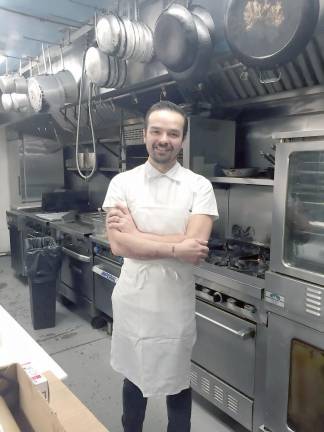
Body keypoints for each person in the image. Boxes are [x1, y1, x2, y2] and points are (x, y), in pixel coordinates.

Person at [102, 100, 218, 432]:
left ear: (182, 139)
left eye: (172, 132)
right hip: (134, 300)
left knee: (177, 382)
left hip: (174, 303)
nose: (163, 139)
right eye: (156, 131)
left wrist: (138, 235)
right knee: (134, 379)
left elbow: (193, 248)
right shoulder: (122, 184)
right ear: (145, 134)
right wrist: (173, 245)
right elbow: (118, 244)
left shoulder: (199, 186)